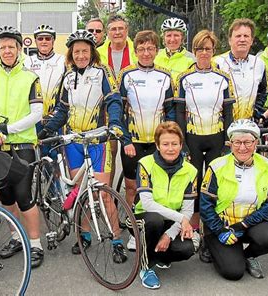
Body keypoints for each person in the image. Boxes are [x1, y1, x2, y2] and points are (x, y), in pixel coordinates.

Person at [39, 29, 129, 263]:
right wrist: (46, 131)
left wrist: (116, 123)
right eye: (76, 51)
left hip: (97, 141)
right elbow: (62, 110)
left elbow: (113, 101)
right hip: (74, 143)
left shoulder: (103, 72)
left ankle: (117, 240)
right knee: (81, 194)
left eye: (85, 51)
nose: (81, 55)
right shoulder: (67, 76)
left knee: (103, 194)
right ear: (71, 54)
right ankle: (85, 233)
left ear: (92, 52)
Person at [0, 26, 45, 268]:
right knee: (6, 198)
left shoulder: (30, 78)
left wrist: (9, 129)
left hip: (22, 145)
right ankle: (17, 238)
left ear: (19, 49)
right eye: (2, 47)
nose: (7, 51)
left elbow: (38, 113)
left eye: (11, 47)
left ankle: (35, 244)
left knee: (24, 196)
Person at [175, 30, 234, 249]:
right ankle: (194, 229)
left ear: (213, 51)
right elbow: (180, 112)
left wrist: (228, 142)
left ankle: (211, 230)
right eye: (199, 49)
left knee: (214, 186)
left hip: (217, 139)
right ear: (194, 51)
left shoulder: (223, 78)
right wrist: (182, 143)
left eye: (208, 49)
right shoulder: (184, 77)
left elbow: (229, 113)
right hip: (193, 138)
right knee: (193, 185)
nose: (204, 53)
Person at [200, 119, 268, 280]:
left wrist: (244, 224)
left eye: (247, 142)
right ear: (230, 144)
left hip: (249, 224)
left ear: (256, 143)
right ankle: (209, 244)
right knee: (234, 272)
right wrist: (220, 229)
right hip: (220, 225)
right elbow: (205, 205)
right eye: (237, 142)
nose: (242, 147)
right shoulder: (217, 166)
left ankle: (249, 255)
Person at [118, 30, 175, 251]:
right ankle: (134, 232)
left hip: (157, 143)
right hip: (134, 141)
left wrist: (168, 141)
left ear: (157, 50)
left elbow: (170, 110)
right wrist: (125, 140)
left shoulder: (166, 75)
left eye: (150, 48)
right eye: (141, 48)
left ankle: (155, 229)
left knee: (155, 188)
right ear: (135, 51)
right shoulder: (126, 74)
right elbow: (119, 112)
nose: (146, 52)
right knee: (132, 187)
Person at [134, 121, 197, 289]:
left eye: (174, 144)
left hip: (170, 221)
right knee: (155, 220)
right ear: (157, 145)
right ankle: (146, 267)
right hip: (143, 218)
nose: (170, 148)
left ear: (181, 145)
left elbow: (188, 210)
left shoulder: (191, 171)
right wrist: (182, 219)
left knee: (187, 248)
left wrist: (169, 235)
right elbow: (147, 204)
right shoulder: (145, 164)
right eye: (165, 144)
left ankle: (160, 255)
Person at [97, 14, 137, 187]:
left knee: (133, 152)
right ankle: (110, 191)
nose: (117, 32)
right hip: (109, 109)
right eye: (113, 29)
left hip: (133, 109)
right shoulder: (98, 53)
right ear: (108, 32)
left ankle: (135, 196)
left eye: (121, 28)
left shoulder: (138, 50)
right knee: (110, 152)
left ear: (127, 30)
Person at [214, 19, 267, 120]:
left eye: (246, 36)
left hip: (248, 124)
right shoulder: (217, 63)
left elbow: (263, 92)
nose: (242, 39)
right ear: (230, 40)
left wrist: (256, 113)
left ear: (251, 40)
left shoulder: (259, 64)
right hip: (222, 124)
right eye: (238, 36)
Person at [24, 24, 66, 123]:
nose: (44, 41)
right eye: (40, 38)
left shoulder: (63, 60)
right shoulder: (27, 61)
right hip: (32, 117)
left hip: (55, 117)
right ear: (35, 41)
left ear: (53, 41)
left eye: (47, 38)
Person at [154, 17, 195, 82]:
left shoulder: (192, 59)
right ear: (163, 37)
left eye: (176, 35)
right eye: (168, 35)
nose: (172, 39)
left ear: (182, 38)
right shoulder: (154, 56)